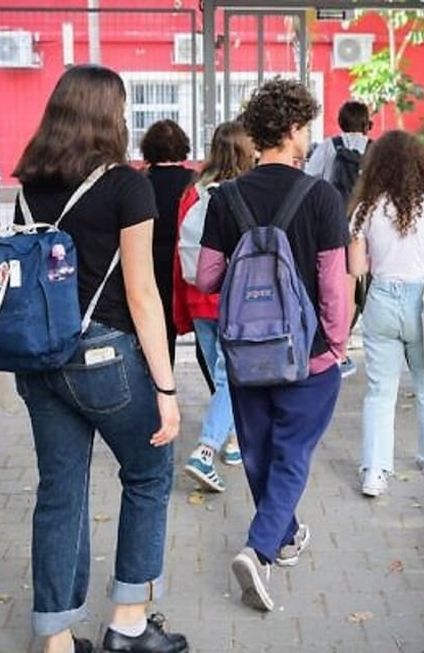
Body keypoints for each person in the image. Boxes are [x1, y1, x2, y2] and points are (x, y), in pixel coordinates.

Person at [11, 65, 187, 653]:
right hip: (104, 358)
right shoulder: (126, 186)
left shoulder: (27, 185)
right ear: (110, 113)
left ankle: (56, 640)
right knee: (148, 472)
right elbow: (142, 293)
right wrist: (166, 388)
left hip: (40, 361)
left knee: (60, 490)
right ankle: (129, 625)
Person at [196, 78, 349, 612]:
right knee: (293, 454)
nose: (309, 136)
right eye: (305, 126)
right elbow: (334, 284)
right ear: (290, 129)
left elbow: (206, 276)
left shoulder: (227, 197)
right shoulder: (322, 196)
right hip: (306, 353)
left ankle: (284, 536)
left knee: (260, 451)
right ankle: (259, 549)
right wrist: (335, 345)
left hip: (245, 352)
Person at [347, 130, 424, 498]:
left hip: (380, 300)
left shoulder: (366, 208)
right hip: (421, 303)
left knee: (380, 391)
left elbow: (356, 267)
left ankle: (375, 473)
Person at [172, 121, 253, 492]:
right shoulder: (244, 193)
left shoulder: (194, 191)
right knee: (230, 377)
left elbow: (181, 251)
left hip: (197, 295)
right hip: (233, 297)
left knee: (222, 376)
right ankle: (207, 450)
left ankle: (234, 441)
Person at [306, 100, 373, 379]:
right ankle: (344, 344)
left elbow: (310, 179)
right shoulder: (375, 149)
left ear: (340, 121)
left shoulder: (328, 147)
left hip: (332, 221)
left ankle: (336, 347)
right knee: (354, 281)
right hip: (366, 223)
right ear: (367, 122)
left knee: (335, 280)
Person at [141, 119, 195, 365]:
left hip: (148, 260)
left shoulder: (140, 181)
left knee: (156, 329)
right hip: (183, 260)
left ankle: (161, 381)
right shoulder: (193, 181)